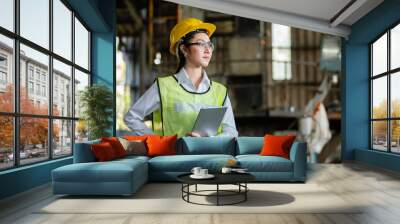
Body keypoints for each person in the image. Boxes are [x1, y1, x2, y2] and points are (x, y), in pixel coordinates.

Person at [124, 18, 238, 137]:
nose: (208, 49)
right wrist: (159, 142)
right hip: (175, 155)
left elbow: (231, 132)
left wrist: (210, 140)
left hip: (212, 155)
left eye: (209, 44)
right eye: (200, 43)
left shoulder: (220, 91)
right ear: (184, 49)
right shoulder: (164, 87)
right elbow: (132, 117)